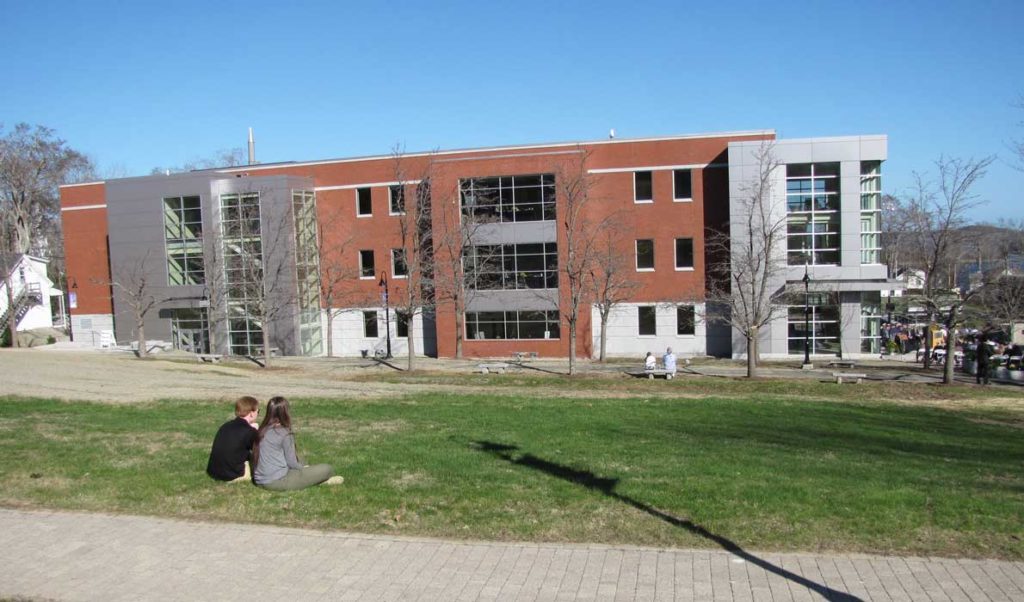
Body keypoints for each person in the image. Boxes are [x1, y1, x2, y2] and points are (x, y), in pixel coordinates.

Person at [253, 396, 342, 491]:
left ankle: (312, 476)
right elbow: (292, 463)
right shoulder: (284, 432)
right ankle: (320, 479)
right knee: (327, 469)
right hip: (276, 481)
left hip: (260, 480)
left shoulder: (262, 430)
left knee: (301, 458)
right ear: (285, 412)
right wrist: (304, 468)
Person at [206, 396, 260, 482]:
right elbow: (258, 450)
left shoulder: (225, 426)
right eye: (258, 411)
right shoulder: (249, 431)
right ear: (252, 413)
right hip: (232, 475)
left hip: (213, 471)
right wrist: (256, 431)